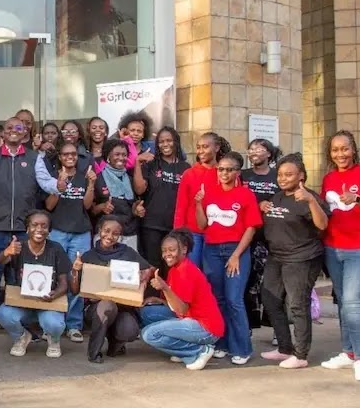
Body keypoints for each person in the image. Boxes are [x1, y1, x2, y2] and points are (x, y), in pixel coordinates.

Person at [0, 116, 60, 339]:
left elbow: (46, 182)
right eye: (9, 127)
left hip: (23, 228)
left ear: (25, 132)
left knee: (21, 278)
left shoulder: (34, 157)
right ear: (2, 132)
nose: (13, 131)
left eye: (18, 128)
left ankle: (25, 326)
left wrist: (59, 185)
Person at [318, 130, 360, 383]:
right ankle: (348, 351)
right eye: (335, 150)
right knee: (345, 302)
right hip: (334, 248)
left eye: (344, 149)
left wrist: (357, 199)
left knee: (355, 301)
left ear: (353, 149)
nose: (340, 154)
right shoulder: (329, 178)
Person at [259, 155, 328, 369]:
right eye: (280, 174)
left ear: (301, 176)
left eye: (288, 174)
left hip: (301, 258)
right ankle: (284, 348)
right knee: (269, 299)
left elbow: (323, 224)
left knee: (297, 304)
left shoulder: (309, 198)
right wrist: (262, 205)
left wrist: (310, 201)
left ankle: (301, 354)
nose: (283, 178)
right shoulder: (277, 197)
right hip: (276, 257)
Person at [195, 150, 261, 365]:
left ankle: (242, 347)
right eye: (220, 169)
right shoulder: (210, 193)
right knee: (218, 299)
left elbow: (250, 228)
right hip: (211, 250)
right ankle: (222, 343)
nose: (223, 173)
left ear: (237, 172)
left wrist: (235, 255)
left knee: (234, 300)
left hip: (236, 250)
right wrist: (198, 203)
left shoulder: (245, 195)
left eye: (229, 169)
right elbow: (203, 224)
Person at [72, 216, 154, 362]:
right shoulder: (88, 256)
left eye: (115, 234)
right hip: (96, 308)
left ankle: (116, 345)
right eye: (106, 231)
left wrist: (144, 277)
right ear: (99, 231)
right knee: (106, 305)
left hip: (123, 307)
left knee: (129, 330)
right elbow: (74, 289)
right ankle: (94, 352)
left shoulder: (127, 252)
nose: (110, 236)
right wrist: (75, 271)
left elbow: (149, 268)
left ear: (120, 236)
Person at [140, 230, 225, 369]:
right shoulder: (175, 268)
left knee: (149, 334)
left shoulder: (186, 271)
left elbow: (182, 308)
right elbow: (178, 303)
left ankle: (198, 351)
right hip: (190, 318)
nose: (167, 254)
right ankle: (184, 350)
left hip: (206, 327)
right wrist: (161, 299)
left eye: (172, 250)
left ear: (184, 249)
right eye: (164, 250)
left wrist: (165, 288)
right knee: (147, 313)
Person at [0, 210, 72, 358]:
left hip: (48, 303)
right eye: (34, 225)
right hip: (23, 302)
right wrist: (7, 252)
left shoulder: (56, 249)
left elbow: (64, 283)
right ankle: (21, 337)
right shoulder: (19, 247)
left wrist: (55, 294)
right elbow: (0, 261)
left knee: (54, 324)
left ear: (49, 230)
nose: (39, 229)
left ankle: (53, 340)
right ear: (27, 228)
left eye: (44, 226)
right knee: (4, 314)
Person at [45, 141, 101, 342]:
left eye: (74, 154)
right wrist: (58, 185)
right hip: (58, 231)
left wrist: (92, 184)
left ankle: (74, 325)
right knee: (56, 276)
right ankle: (52, 320)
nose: (70, 157)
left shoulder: (84, 175)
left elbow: (87, 205)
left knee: (76, 277)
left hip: (80, 233)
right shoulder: (53, 176)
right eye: (66, 154)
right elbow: (49, 206)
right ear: (60, 157)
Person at [135, 126, 190, 268]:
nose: (165, 144)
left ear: (176, 142)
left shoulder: (186, 168)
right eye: (161, 142)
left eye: (169, 140)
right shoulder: (151, 165)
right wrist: (137, 163)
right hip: (151, 225)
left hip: (175, 227)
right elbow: (139, 188)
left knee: (173, 267)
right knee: (153, 267)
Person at [173, 131, 230, 267]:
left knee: (212, 276)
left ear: (216, 148)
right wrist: (178, 234)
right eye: (198, 147)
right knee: (192, 272)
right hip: (193, 234)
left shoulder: (225, 172)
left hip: (217, 234)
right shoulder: (189, 174)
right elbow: (181, 205)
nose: (201, 151)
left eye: (205, 147)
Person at [241, 138, 280, 331]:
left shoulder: (277, 176)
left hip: (272, 237)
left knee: (272, 285)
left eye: (259, 148)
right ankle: (248, 326)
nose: (254, 151)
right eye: (251, 148)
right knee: (248, 283)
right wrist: (257, 206)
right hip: (247, 237)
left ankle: (275, 328)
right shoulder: (242, 175)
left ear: (269, 154)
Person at [91, 139, 142, 251]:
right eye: (117, 154)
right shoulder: (98, 179)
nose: (121, 158)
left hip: (129, 233)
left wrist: (137, 209)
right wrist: (102, 207)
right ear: (108, 156)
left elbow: (133, 204)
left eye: (124, 155)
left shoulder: (130, 178)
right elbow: (90, 210)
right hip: (106, 235)